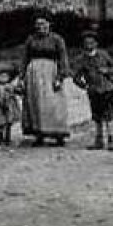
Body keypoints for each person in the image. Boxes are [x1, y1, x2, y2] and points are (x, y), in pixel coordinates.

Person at [18, 15, 71, 147]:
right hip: (33, 75)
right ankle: (39, 134)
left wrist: (61, 76)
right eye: (38, 24)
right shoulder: (31, 40)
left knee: (54, 103)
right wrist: (21, 77)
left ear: (49, 24)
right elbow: (25, 58)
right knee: (35, 103)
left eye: (43, 24)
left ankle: (58, 134)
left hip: (50, 73)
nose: (40, 27)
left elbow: (63, 58)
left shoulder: (57, 39)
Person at [72, 30, 113, 151]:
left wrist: (108, 71)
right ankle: (99, 139)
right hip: (94, 90)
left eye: (91, 42)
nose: (89, 45)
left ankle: (110, 139)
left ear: (96, 44)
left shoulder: (103, 55)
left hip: (107, 88)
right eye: (86, 43)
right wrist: (84, 86)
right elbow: (76, 76)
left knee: (108, 115)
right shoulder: (82, 59)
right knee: (97, 116)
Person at [0, 65, 22, 146]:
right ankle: (0, 138)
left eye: (6, 76)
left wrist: (19, 86)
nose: (4, 78)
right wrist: (0, 101)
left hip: (10, 106)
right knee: (1, 123)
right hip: (0, 107)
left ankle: (7, 138)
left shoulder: (10, 86)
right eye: (1, 76)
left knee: (9, 122)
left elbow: (17, 91)